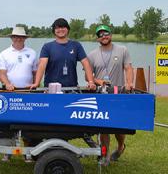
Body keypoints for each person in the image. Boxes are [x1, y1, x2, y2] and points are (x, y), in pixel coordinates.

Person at [87, 24, 134, 162]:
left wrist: (129, 83)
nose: (104, 36)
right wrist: (98, 81)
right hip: (101, 95)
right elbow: (88, 77)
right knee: (104, 127)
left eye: (106, 33)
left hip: (118, 94)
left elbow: (128, 68)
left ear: (111, 35)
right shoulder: (92, 55)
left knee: (119, 128)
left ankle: (120, 147)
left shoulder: (122, 50)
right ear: (97, 38)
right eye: (100, 35)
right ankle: (105, 155)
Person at [0, 26, 38, 162]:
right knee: (9, 124)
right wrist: (7, 83)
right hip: (11, 93)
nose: (18, 39)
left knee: (28, 124)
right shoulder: (4, 53)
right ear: (12, 38)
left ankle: (28, 153)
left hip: (27, 93)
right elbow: (1, 73)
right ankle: (7, 152)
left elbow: (35, 73)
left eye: (21, 37)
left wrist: (35, 84)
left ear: (24, 38)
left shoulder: (32, 53)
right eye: (15, 37)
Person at [32, 18, 96, 91]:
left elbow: (86, 63)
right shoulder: (47, 47)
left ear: (67, 29)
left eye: (63, 27)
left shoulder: (76, 45)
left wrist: (91, 82)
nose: (60, 30)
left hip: (72, 88)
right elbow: (42, 65)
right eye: (57, 28)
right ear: (54, 31)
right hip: (51, 89)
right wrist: (37, 83)